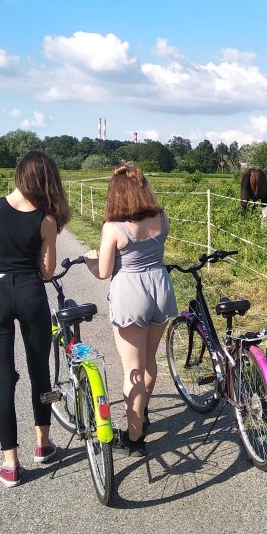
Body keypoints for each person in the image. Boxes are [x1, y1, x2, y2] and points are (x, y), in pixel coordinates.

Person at [0, 150, 70, 487]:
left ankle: (10, 464)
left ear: (18, 176)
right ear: (45, 181)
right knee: (40, 371)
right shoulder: (46, 220)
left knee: (3, 379)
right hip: (30, 293)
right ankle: (43, 444)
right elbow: (48, 271)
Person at [85, 164, 177, 457]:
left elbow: (103, 271)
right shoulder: (161, 218)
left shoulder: (113, 228)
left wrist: (90, 260)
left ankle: (134, 438)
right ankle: (142, 412)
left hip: (131, 293)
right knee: (150, 361)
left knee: (132, 370)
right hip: (160, 288)